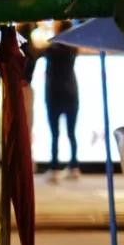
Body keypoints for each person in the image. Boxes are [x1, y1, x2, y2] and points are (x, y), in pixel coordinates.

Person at [44, 21, 81, 181]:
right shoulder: (73, 48)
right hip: (71, 93)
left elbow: (39, 51)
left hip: (54, 94)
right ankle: (74, 166)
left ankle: (54, 168)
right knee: (71, 133)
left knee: (55, 134)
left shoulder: (52, 49)